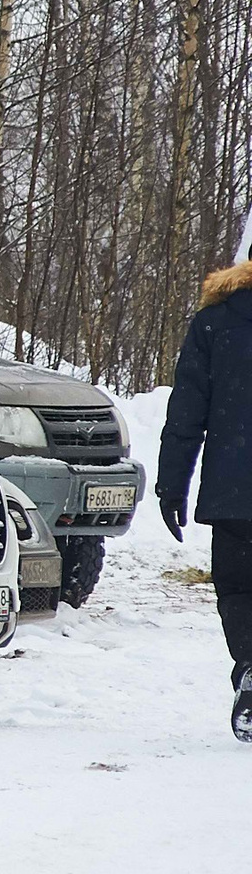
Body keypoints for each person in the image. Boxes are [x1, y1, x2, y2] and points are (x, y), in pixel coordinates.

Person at [160, 258, 252, 743]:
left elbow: (186, 412)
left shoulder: (215, 322)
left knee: (238, 590)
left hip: (235, 491)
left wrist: (171, 484)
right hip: (233, 489)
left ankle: (251, 668)